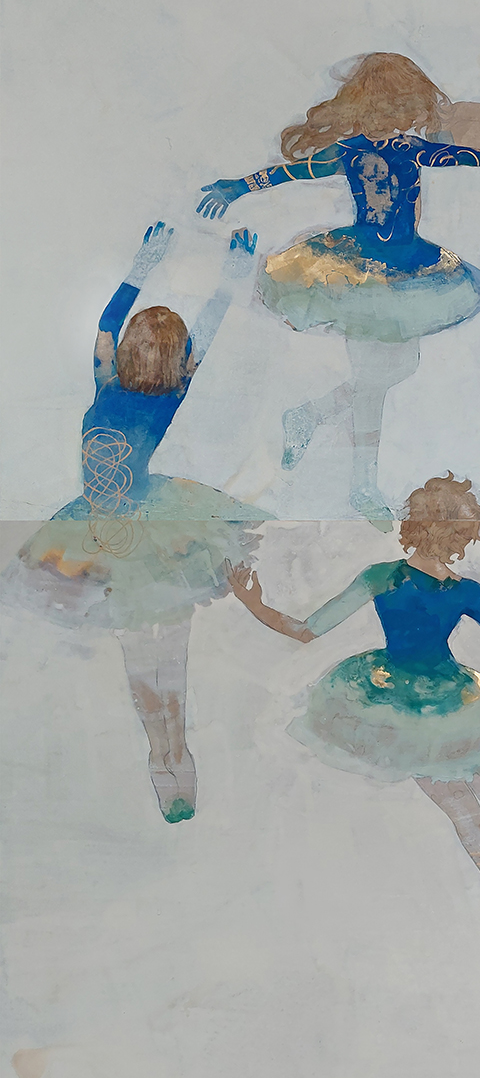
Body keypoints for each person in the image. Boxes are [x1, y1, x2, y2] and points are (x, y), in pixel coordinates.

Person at [226, 474, 480, 963]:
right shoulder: (422, 583)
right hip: (426, 708)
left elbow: (304, 630)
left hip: (425, 708)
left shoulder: (416, 582)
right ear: (458, 533)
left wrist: (253, 604)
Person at [196, 52, 480, 526]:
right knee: (374, 382)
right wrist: (237, 187)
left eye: (403, 110)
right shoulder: (349, 151)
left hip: (411, 269)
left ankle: (311, 416)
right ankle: (362, 486)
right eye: (391, 109)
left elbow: (463, 157)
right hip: (359, 276)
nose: (397, 119)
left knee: (396, 369)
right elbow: (292, 172)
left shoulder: (410, 148)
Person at [4, 223, 270, 823]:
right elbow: (206, 328)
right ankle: (168, 750)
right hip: (117, 529)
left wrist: (145, 263)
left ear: (129, 349)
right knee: (160, 647)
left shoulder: (111, 379)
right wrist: (228, 274)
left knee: (148, 649)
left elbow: (108, 322)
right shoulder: (170, 388)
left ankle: (169, 751)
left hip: (141, 529)